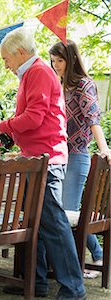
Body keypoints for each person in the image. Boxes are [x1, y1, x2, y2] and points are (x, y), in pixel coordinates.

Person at [0, 28, 86, 299]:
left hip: (46, 160)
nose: (5, 65)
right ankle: (36, 282)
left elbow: (32, 119)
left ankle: (74, 289)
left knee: (54, 225)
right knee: (36, 225)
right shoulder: (31, 75)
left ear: (20, 53)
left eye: (6, 59)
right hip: (35, 160)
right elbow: (23, 123)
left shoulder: (38, 73)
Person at [49, 40, 111, 278]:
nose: (56, 66)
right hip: (59, 157)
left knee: (69, 214)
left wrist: (104, 148)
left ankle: (93, 258)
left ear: (71, 60)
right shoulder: (59, 85)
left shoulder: (84, 85)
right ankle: (67, 264)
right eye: (53, 61)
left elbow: (93, 119)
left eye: (60, 61)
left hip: (77, 156)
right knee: (60, 213)